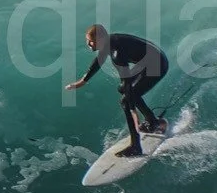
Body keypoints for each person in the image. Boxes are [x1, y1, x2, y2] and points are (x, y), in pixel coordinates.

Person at [67, 23, 168, 156]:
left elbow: (127, 83)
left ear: (99, 40)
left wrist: (132, 110)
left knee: (126, 101)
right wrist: (83, 81)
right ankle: (152, 121)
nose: (88, 44)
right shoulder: (109, 41)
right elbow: (99, 60)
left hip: (157, 66)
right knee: (123, 90)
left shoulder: (117, 54)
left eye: (90, 41)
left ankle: (136, 146)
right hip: (149, 62)